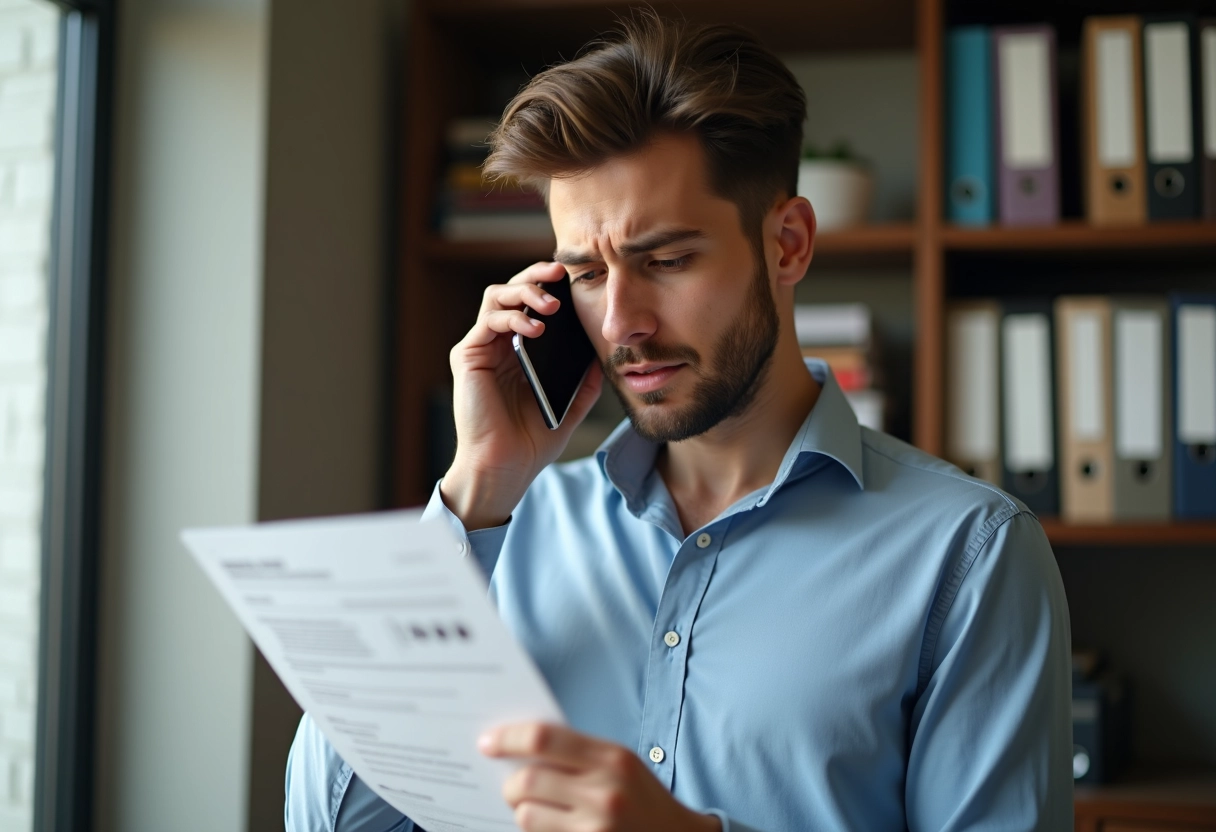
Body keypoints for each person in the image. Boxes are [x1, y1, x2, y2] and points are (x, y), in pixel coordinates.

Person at [285, 12, 1072, 832]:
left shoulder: (969, 557)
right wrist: (474, 488)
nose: (622, 322)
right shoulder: (506, 532)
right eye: (587, 272)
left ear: (789, 244)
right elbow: (331, 822)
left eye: (665, 260)